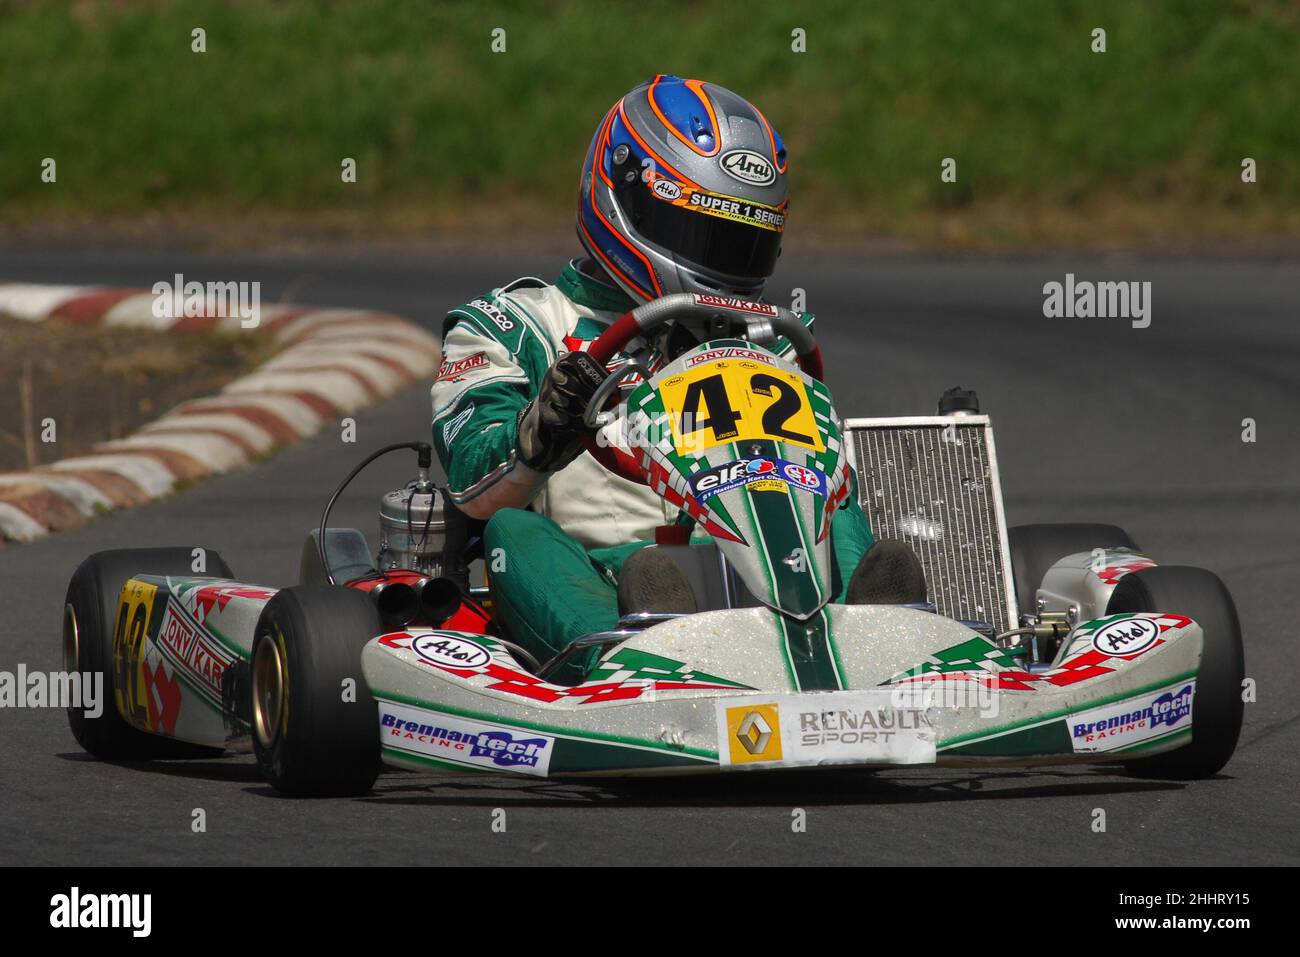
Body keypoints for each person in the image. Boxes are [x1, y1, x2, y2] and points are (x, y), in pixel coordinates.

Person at [431, 75, 922, 682]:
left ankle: (885, 638)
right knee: (513, 528)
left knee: (834, 496)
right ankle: (624, 663)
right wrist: (542, 431)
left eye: (745, 245)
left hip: (763, 564)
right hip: (606, 582)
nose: (724, 263)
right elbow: (470, 483)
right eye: (706, 236)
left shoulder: (765, 338)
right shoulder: (519, 323)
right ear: (626, 200)